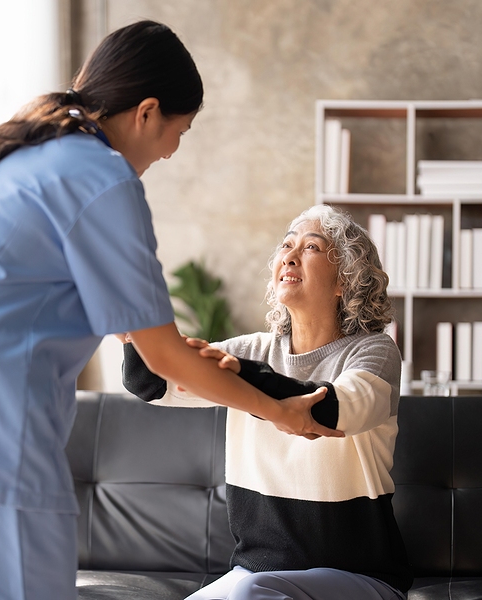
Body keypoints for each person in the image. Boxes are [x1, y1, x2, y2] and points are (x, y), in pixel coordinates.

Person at [0, 21, 341, 600]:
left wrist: (149, 339)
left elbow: (39, 294)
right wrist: (282, 412)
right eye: (180, 130)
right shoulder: (101, 177)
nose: (172, 150)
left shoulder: (20, 154)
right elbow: (165, 358)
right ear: (147, 112)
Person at [121, 204, 414, 600]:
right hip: (255, 576)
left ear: (345, 279)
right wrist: (132, 325)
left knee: (253, 593)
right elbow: (154, 384)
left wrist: (241, 375)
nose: (289, 256)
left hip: (359, 577)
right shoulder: (251, 350)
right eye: (286, 245)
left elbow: (338, 410)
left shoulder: (374, 352)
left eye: (311, 247)